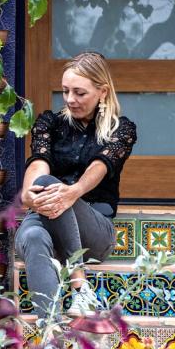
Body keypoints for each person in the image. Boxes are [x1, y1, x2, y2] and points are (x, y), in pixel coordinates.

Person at [15, 51, 137, 320]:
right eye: (66, 91)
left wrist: (75, 191)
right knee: (34, 234)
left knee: (51, 185)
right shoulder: (50, 123)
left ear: (102, 92)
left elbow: (101, 166)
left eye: (80, 93)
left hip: (92, 231)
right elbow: (39, 162)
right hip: (44, 220)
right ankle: (52, 334)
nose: (70, 99)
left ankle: (80, 284)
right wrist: (27, 194)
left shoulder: (121, 130)